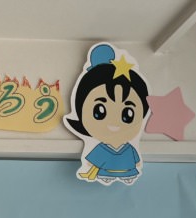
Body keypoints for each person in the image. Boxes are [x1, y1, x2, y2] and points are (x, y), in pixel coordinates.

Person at [64, 43, 149, 185]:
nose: (114, 122)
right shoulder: (101, 148)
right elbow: (93, 162)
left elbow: (136, 160)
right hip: (106, 172)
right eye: (99, 112)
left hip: (127, 170)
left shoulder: (128, 148)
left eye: (127, 115)